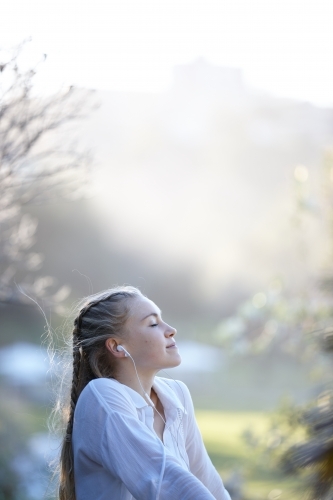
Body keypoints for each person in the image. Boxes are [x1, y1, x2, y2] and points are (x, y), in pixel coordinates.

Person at [58, 285, 231, 500]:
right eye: (153, 323)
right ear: (117, 347)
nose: (170, 329)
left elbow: (207, 483)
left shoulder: (177, 395)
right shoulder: (100, 397)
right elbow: (161, 480)